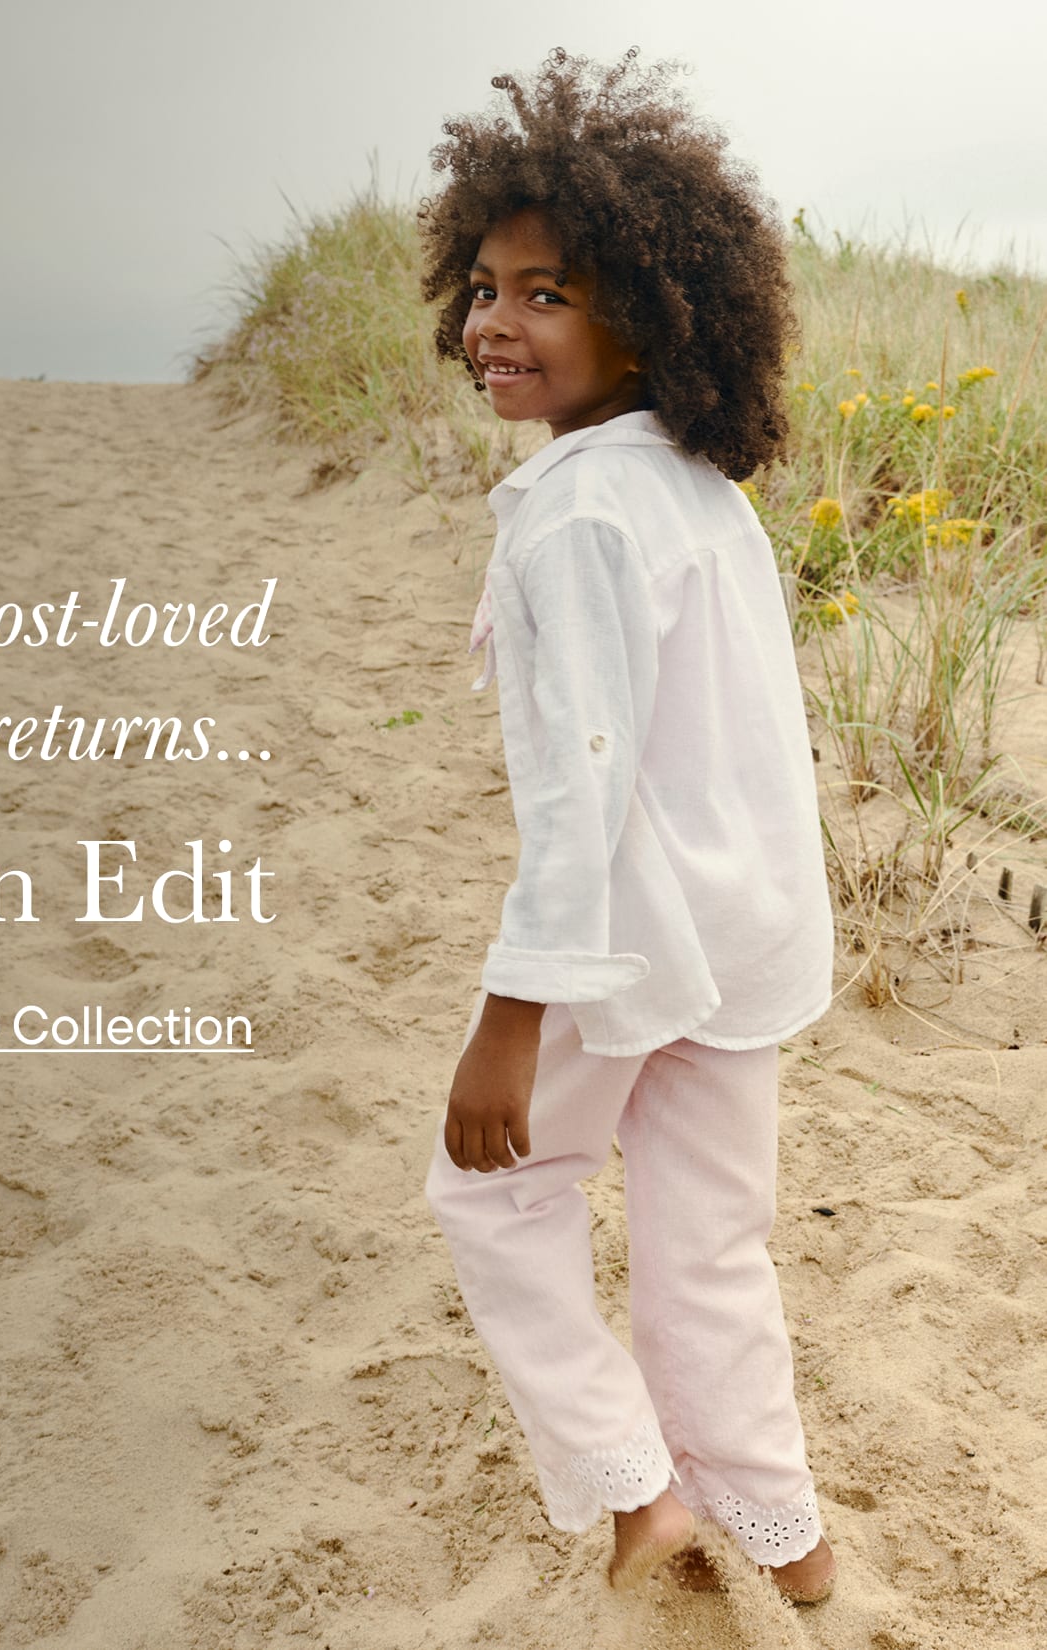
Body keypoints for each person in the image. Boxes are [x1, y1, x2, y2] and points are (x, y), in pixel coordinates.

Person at [416, 49, 839, 1604]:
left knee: (493, 1189)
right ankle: (792, 1548)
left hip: (628, 937)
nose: (494, 325)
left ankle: (641, 1501)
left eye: (546, 293)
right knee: (709, 1246)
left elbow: (584, 784)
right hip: (753, 937)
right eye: (482, 285)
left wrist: (510, 1019)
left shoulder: (583, 514)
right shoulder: (696, 485)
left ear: (647, 315)